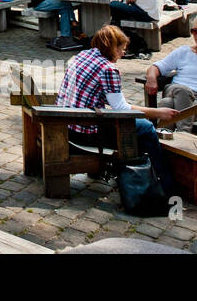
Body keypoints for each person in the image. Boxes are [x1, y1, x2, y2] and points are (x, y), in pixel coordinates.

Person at [58, 25, 178, 193]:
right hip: (85, 132)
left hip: (67, 124)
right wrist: (159, 112)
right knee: (146, 128)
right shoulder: (108, 69)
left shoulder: (84, 55)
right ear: (111, 47)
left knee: (139, 127)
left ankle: (131, 171)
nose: (123, 53)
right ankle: (163, 182)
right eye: (121, 49)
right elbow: (121, 108)